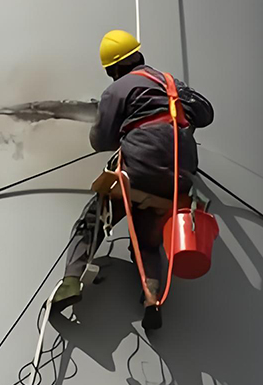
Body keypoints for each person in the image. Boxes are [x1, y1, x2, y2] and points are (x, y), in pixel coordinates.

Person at [53, 30, 214, 330]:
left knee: (94, 217)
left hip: (140, 167)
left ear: (113, 69)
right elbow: (205, 114)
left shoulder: (118, 90)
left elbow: (101, 140)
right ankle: (153, 298)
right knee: (147, 239)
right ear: (138, 56)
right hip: (180, 177)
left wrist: (105, 117)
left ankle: (71, 282)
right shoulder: (170, 84)